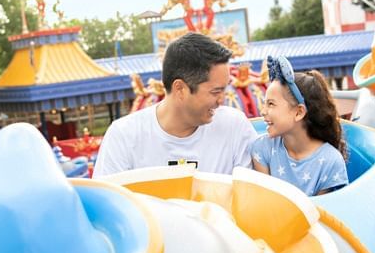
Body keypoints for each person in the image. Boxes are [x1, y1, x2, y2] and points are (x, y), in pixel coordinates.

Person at [93, 32, 257, 177]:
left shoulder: (235, 127)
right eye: (215, 92)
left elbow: (254, 196)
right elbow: (106, 203)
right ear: (180, 88)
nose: (222, 100)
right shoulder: (123, 136)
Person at [251, 56, 348, 196]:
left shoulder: (331, 161)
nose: (263, 111)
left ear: (299, 112)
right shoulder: (262, 148)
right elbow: (264, 201)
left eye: (271, 104)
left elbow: (322, 213)